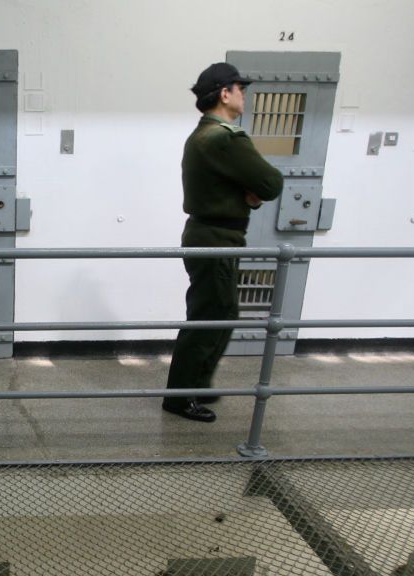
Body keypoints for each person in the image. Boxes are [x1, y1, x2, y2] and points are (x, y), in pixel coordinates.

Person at [163, 63, 284, 423]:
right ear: (224, 93)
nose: (244, 95)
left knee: (222, 314)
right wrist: (252, 192)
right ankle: (180, 396)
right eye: (239, 88)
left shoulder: (202, 136)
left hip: (213, 234)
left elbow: (247, 188)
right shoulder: (224, 138)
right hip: (215, 237)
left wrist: (248, 193)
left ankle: (197, 384)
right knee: (209, 318)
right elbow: (271, 183)